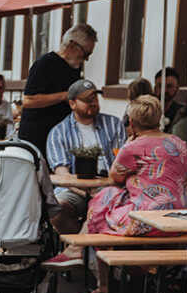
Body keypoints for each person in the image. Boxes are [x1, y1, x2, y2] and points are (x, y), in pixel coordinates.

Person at [76, 96, 187, 293]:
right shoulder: (178, 142)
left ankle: (104, 287)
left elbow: (115, 177)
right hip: (181, 219)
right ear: (159, 119)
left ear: (131, 123)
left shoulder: (133, 147)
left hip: (149, 222)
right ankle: (137, 271)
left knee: (101, 205)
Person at [42, 78, 127, 269]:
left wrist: (103, 192)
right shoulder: (58, 132)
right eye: (86, 99)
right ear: (72, 103)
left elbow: (123, 164)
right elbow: (63, 176)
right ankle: (89, 251)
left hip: (112, 189)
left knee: (102, 203)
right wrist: (88, 193)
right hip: (77, 191)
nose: (93, 102)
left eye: (94, 98)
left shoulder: (114, 124)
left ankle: (77, 249)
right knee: (56, 209)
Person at [19, 23, 97, 160]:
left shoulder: (74, 68)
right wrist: (63, 96)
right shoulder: (45, 64)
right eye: (86, 53)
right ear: (72, 46)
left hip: (61, 139)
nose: (87, 59)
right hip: (37, 140)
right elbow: (28, 101)